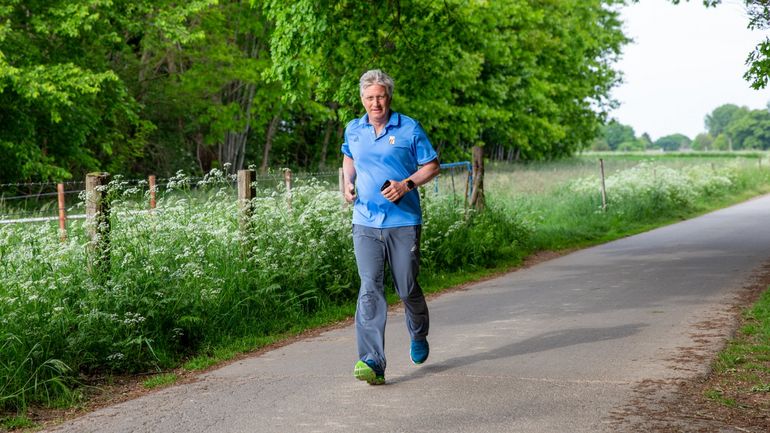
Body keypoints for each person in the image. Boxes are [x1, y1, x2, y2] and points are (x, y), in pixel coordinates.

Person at [341, 69, 440, 385]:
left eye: (380, 96)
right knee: (369, 288)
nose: (375, 103)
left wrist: (406, 184)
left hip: (403, 223)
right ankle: (372, 362)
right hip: (365, 222)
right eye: (369, 97)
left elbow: (432, 165)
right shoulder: (353, 130)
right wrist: (347, 183)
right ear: (362, 99)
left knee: (407, 286)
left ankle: (418, 332)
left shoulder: (409, 128)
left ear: (389, 97)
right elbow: (348, 157)